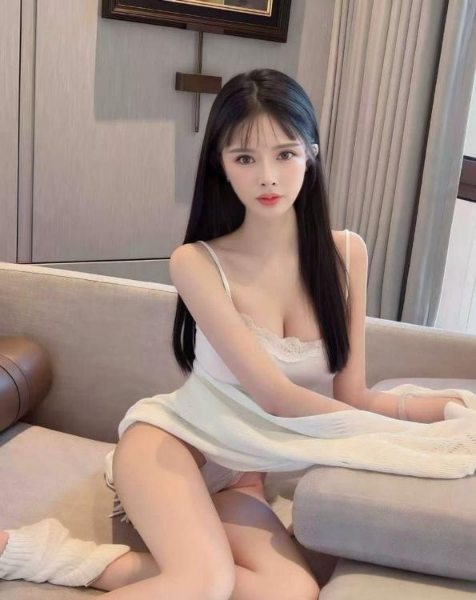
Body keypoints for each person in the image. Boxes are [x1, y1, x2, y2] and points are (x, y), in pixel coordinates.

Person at [0, 67, 466, 599]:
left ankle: (49, 553)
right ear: (221, 166)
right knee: (204, 581)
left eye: (285, 154)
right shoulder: (196, 262)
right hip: (170, 448)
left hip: (241, 475)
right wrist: (408, 441)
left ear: (311, 153)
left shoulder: (347, 254)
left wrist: (450, 410)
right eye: (245, 158)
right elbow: (276, 396)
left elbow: (353, 395)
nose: (267, 177)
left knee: (291, 593)